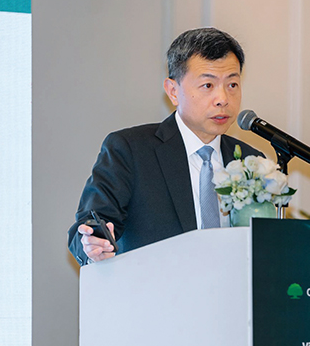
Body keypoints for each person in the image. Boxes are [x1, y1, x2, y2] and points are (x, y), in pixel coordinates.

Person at [68, 27, 262, 266]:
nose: (223, 99)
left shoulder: (251, 162)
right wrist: (92, 245)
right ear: (173, 91)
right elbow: (89, 227)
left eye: (232, 85)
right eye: (208, 85)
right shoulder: (131, 151)